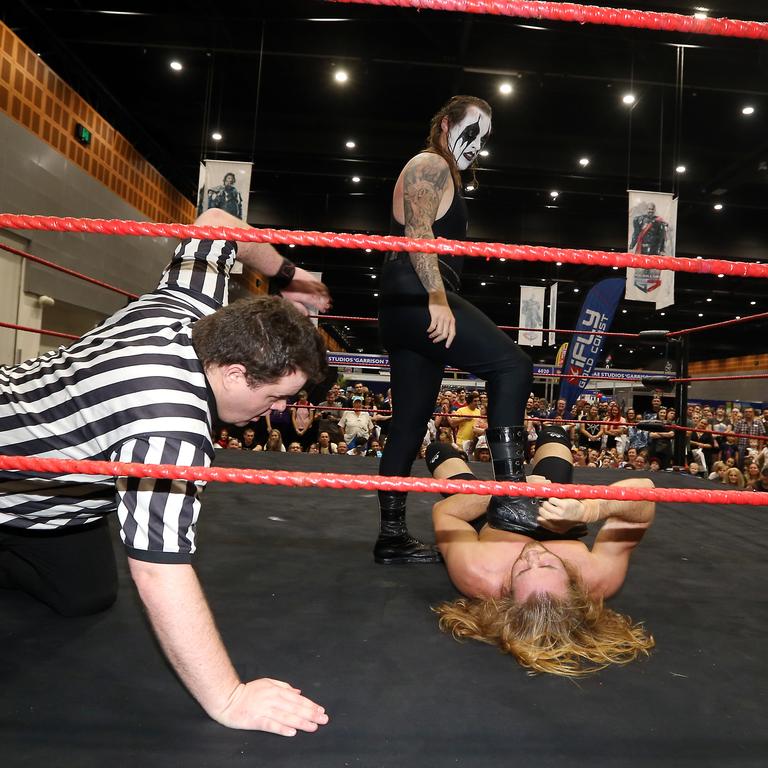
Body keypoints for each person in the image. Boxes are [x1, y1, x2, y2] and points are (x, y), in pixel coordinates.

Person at [0, 207, 331, 736]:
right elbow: (157, 568)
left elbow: (219, 220)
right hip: (8, 455)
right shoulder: (171, 424)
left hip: (48, 495)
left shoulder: (187, 309)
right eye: (275, 397)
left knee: (85, 595)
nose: (274, 412)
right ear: (237, 371)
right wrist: (229, 697)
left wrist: (288, 278)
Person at [376, 95, 534, 565]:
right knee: (514, 366)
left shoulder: (441, 171)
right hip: (419, 292)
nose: (477, 145)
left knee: (408, 423)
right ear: (445, 125)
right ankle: (510, 496)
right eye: (471, 131)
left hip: (402, 301)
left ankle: (390, 537)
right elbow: (419, 231)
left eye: (485, 138)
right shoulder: (430, 163)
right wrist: (438, 299)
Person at [425, 425, 655, 676]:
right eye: (547, 564)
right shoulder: (598, 577)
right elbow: (644, 492)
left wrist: (507, 489)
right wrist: (591, 510)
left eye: (522, 570)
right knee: (554, 435)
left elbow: (445, 513)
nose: (532, 555)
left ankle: (464, 467)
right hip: (554, 515)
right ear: (573, 585)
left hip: (495, 520)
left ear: (508, 596)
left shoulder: (479, 573)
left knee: (439, 451)